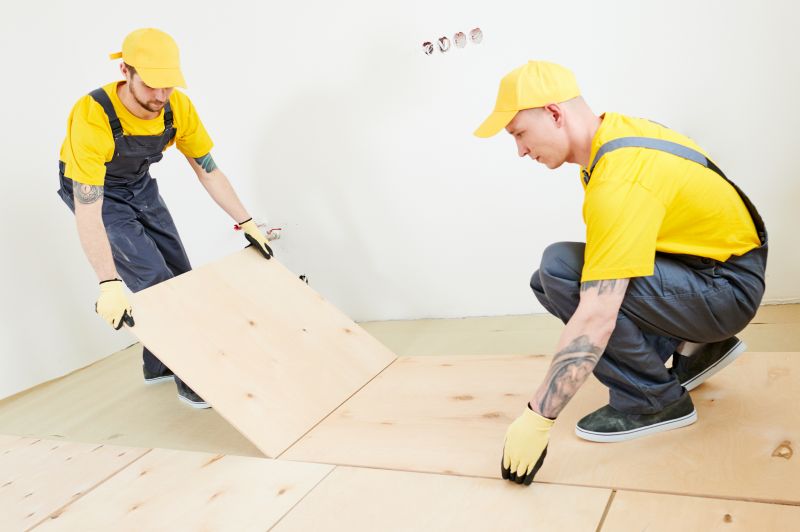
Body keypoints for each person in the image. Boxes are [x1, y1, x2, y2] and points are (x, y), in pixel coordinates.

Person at [474, 61, 767, 485]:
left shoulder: (620, 178)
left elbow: (597, 314)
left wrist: (538, 417)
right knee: (552, 276)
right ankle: (699, 347)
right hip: (714, 268)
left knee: (561, 272)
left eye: (519, 134)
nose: (520, 150)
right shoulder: (616, 136)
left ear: (555, 114)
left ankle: (653, 400)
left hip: (724, 288)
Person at [57, 28, 274, 408]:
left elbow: (207, 169)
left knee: (181, 274)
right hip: (97, 192)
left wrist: (247, 222)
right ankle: (192, 373)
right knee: (155, 281)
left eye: (169, 86)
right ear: (126, 71)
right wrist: (108, 283)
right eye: (153, 85)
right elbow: (88, 207)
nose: (160, 96)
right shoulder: (93, 115)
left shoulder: (177, 107)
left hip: (138, 184)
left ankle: (156, 364)